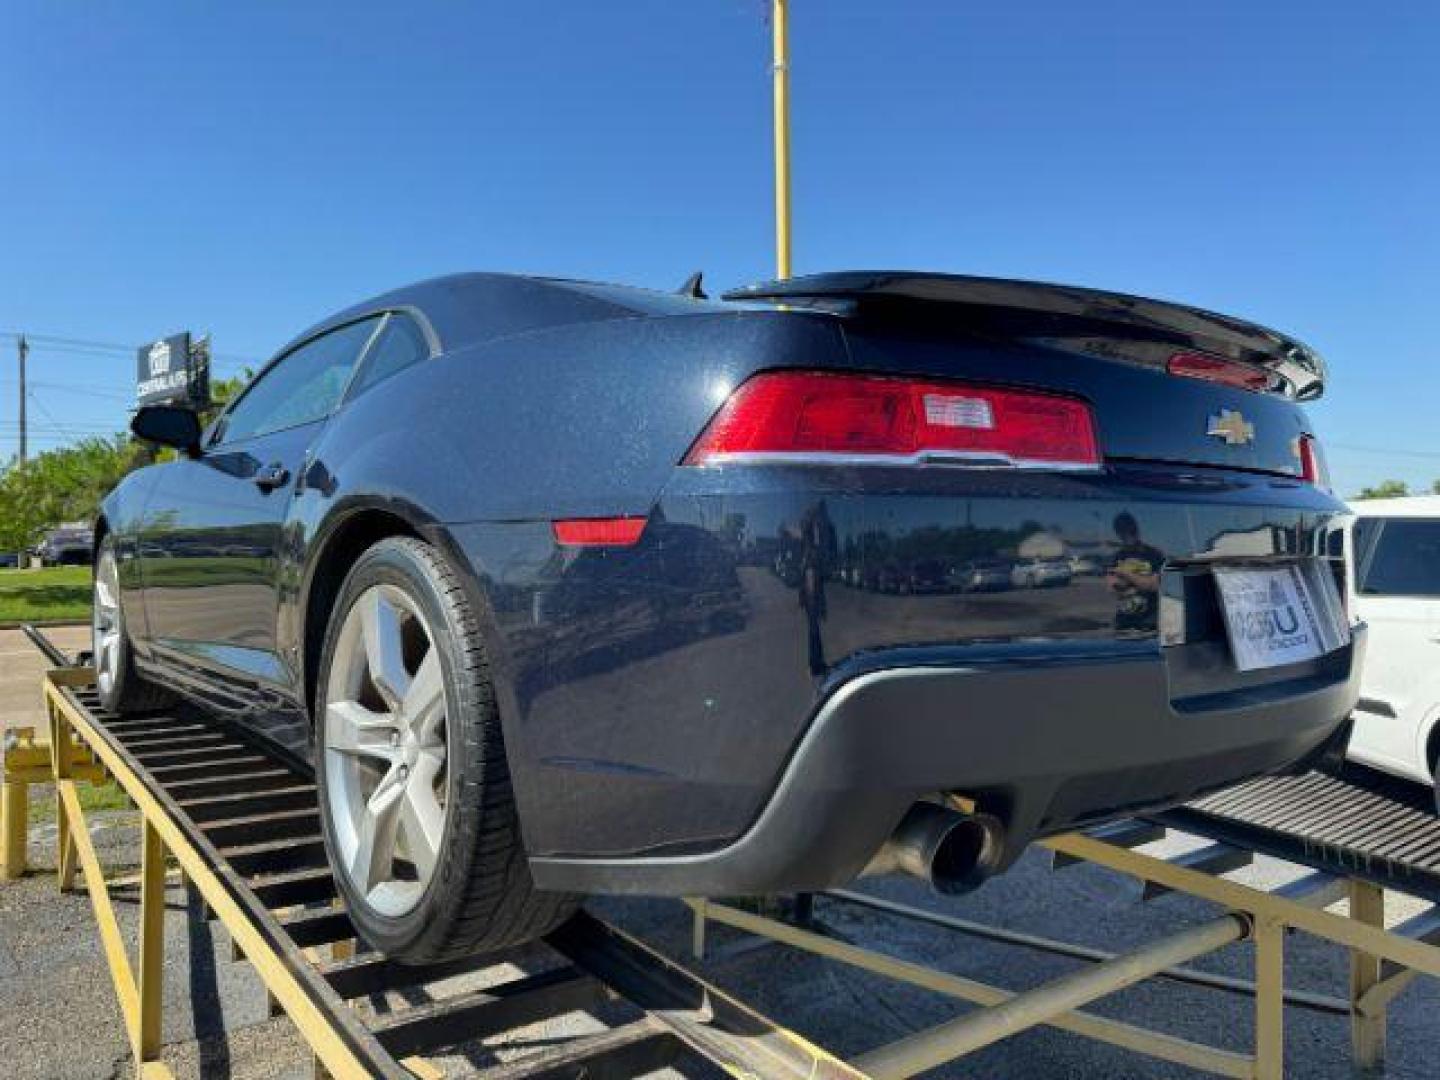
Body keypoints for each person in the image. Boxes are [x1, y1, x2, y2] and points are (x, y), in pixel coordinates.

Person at [1107, 512, 1164, 635]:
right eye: (1121, 531)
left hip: (1149, 624)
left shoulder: (1154, 555)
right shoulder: (1117, 556)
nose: (1126, 535)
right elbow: (1113, 587)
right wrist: (1137, 585)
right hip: (1123, 624)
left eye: (1130, 530)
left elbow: (1154, 585)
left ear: (1136, 529)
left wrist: (1125, 574)